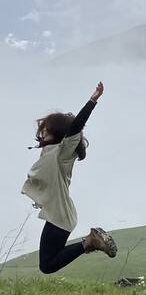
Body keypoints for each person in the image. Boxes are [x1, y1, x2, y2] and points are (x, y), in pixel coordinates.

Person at [22, 82, 118, 273]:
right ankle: (89, 243)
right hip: (59, 215)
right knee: (49, 262)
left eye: (47, 128)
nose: (43, 131)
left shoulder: (63, 153)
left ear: (58, 131)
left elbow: (75, 128)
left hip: (60, 216)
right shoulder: (51, 151)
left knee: (47, 266)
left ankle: (89, 242)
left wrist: (92, 101)